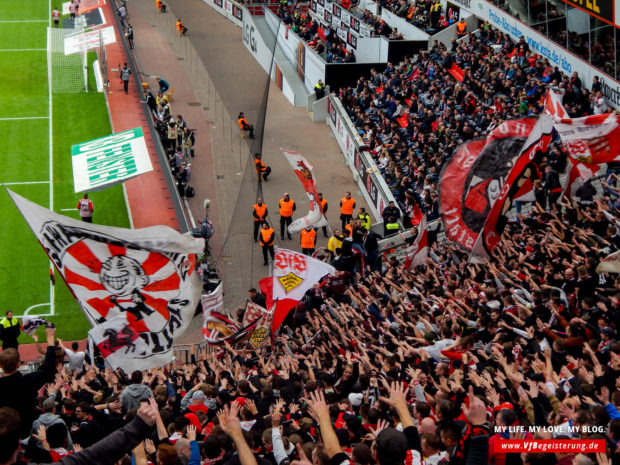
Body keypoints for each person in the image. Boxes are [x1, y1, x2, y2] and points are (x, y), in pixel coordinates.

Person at [0, 325, 56, 438]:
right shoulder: (27, 381)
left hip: (6, 434)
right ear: (18, 364)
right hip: (28, 432)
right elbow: (48, 366)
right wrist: (50, 338)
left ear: (1, 365)